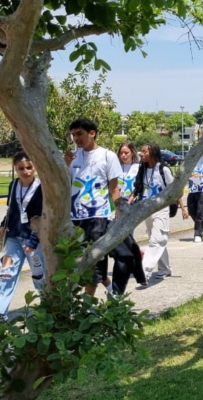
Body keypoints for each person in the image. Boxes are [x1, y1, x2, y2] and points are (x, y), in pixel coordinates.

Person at [64, 118, 120, 295]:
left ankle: (87, 307)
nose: (76, 139)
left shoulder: (107, 156)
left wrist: (119, 214)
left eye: (79, 134)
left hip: (97, 217)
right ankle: (114, 293)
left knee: (95, 262)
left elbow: (114, 189)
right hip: (74, 217)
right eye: (73, 135)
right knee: (74, 262)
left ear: (92, 133)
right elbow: (64, 185)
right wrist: (65, 164)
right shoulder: (72, 157)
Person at [0, 151, 45, 318]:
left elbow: (44, 217)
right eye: (21, 168)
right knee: (6, 274)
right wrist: (3, 225)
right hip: (13, 238)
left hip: (33, 241)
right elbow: (12, 209)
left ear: (35, 166)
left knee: (39, 276)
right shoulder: (14, 185)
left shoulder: (42, 187)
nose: (25, 171)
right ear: (15, 168)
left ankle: (50, 311)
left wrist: (33, 241)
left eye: (29, 167)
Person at [131, 143, 187, 282]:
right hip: (146, 208)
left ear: (153, 152)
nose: (141, 154)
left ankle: (145, 270)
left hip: (161, 208)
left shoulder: (163, 169)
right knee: (155, 239)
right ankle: (165, 269)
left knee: (158, 239)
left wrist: (183, 208)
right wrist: (127, 203)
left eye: (144, 151)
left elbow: (175, 189)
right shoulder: (142, 169)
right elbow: (137, 189)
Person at [112, 142, 145, 294]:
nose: (123, 156)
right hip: (118, 205)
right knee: (124, 236)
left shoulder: (138, 168)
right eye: (121, 153)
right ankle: (135, 256)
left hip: (132, 205)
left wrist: (130, 201)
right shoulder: (115, 168)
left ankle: (130, 263)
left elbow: (139, 187)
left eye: (126, 152)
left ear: (132, 152)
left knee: (126, 234)